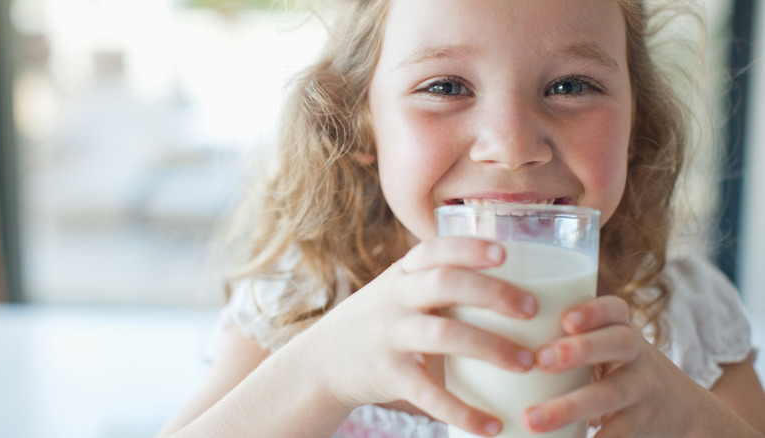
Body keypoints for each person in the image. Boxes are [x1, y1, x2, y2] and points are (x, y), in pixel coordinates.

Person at [157, 0, 765, 437]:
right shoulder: (306, 301)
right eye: (446, 86)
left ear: (637, 120)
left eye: (572, 85)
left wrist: (696, 421)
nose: (511, 143)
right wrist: (320, 372)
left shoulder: (681, 318)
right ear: (360, 123)